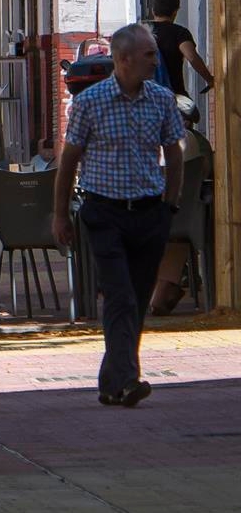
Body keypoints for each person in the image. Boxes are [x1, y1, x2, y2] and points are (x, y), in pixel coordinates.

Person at [53, 24, 185, 408]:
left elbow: (174, 152)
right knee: (120, 296)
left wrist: (169, 205)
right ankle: (127, 379)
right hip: (104, 212)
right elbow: (69, 162)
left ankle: (112, 383)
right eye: (149, 55)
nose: (155, 61)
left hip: (148, 213)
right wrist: (59, 215)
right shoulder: (89, 103)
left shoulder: (161, 100)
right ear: (123, 59)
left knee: (137, 300)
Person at [150, 0, 214, 98]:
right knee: (192, 114)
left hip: (146, 98)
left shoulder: (140, 32)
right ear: (175, 12)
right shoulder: (179, 33)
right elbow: (192, 57)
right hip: (175, 97)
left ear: (153, 11)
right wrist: (210, 79)